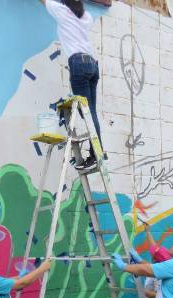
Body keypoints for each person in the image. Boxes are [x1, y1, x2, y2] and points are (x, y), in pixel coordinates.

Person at [41, 0, 102, 170]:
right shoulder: (86, 17)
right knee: (91, 112)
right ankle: (98, 152)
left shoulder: (61, 11)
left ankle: (97, 154)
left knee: (87, 113)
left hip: (79, 63)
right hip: (92, 64)